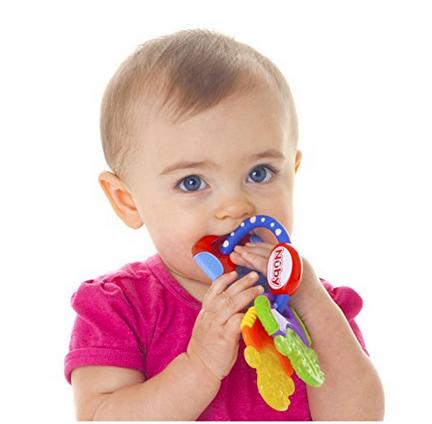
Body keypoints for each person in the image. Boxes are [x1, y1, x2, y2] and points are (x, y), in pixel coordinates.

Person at [65, 29, 384, 420]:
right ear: (126, 201)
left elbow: (360, 416)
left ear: (292, 173)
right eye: (192, 182)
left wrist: (310, 299)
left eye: (260, 173)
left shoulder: (320, 304)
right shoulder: (120, 307)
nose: (236, 207)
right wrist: (198, 367)